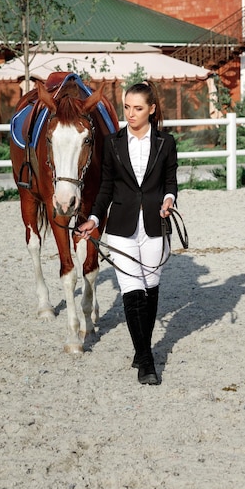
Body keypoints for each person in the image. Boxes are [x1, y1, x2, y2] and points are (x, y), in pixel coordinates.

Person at [78, 80, 178, 385]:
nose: (130, 114)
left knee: (150, 291)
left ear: (151, 109)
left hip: (154, 225)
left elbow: (170, 181)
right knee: (132, 291)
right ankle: (146, 360)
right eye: (126, 108)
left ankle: (141, 349)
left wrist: (169, 200)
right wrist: (94, 217)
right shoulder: (112, 143)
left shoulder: (166, 142)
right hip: (121, 226)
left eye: (137, 108)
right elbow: (106, 187)